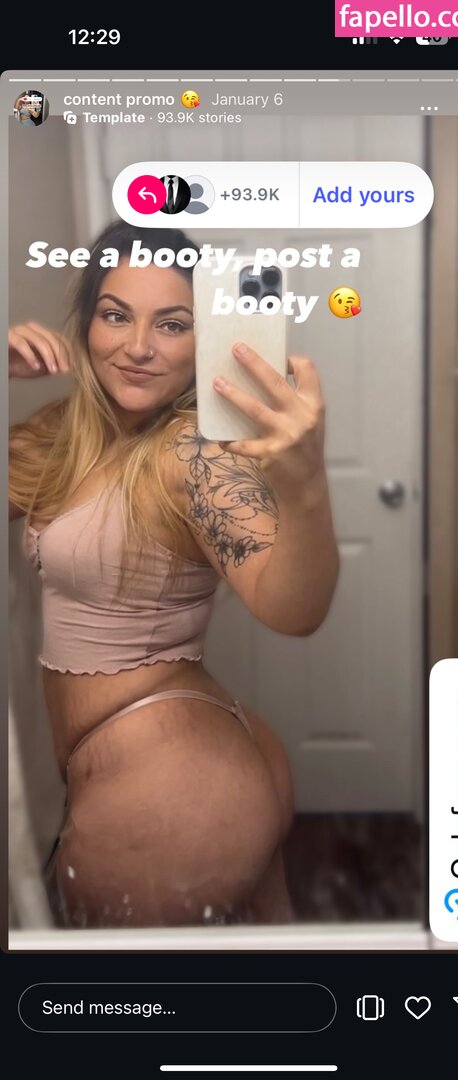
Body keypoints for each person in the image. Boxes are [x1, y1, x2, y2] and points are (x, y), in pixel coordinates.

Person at [8, 221, 339, 929]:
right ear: (85, 323)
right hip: (182, 756)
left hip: (177, 788)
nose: (137, 346)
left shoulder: (194, 455)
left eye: (172, 324)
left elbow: (292, 608)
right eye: (115, 315)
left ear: (204, 339)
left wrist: (307, 486)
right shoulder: (56, 435)